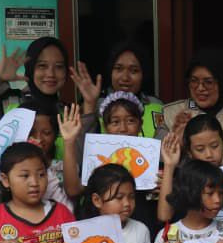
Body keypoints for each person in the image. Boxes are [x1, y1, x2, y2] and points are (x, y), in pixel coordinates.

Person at [61, 93, 162, 233]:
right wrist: (69, 141)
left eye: (131, 121)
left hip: (140, 228)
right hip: (99, 231)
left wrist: (162, 185)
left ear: (141, 124)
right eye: (115, 122)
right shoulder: (95, 157)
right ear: (105, 125)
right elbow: (73, 190)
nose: (123, 128)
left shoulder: (152, 158)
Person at [164, 47, 223, 165]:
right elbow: (153, 165)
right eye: (194, 81)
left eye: (208, 82)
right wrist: (177, 144)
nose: (200, 88)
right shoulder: (169, 114)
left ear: (222, 82)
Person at [156, 113, 223, 225]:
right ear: (189, 151)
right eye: (200, 149)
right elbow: (164, 216)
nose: (209, 154)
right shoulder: (183, 180)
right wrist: (169, 166)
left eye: (214, 146)